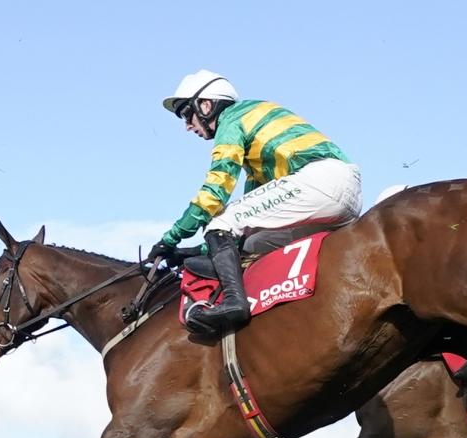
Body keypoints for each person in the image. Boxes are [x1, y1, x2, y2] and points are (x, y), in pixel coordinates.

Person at [150, 69, 363, 335]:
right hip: (344, 193)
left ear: (206, 105)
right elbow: (248, 222)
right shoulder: (254, 129)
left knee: (220, 220)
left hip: (321, 182)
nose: (187, 126)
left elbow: (214, 193)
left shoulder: (231, 121)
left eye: (186, 114)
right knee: (252, 242)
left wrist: (170, 239)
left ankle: (234, 303)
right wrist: (193, 251)